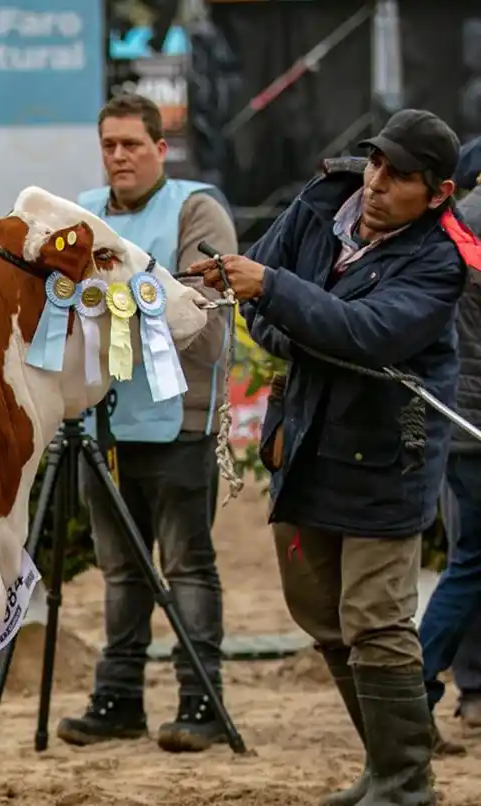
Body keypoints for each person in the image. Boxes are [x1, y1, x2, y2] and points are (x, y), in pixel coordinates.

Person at [189, 108, 471, 805]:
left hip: (389, 454)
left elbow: (367, 331)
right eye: (376, 161)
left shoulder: (442, 259)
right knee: (320, 612)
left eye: (400, 176)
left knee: (375, 619)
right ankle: (382, 769)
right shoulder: (322, 199)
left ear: (438, 193)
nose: (377, 182)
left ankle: (408, 782)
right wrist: (291, 319)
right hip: (305, 436)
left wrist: (279, 298)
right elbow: (256, 301)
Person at [56, 93, 238, 753]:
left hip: (179, 417)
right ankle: (118, 697)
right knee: (121, 569)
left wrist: (123, 307)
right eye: (109, 144)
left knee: (187, 565)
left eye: (132, 144)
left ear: (161, 149)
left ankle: (202, 699)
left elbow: (208, 323)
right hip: (105, 422)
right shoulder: (81, 211)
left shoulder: (195, 209)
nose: (119, 156)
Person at [417, 135, 481, 750]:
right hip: (474, 423)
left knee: (469, 558)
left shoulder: (455, 226)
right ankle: (416, 685)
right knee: (470, 565)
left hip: (454, 417)